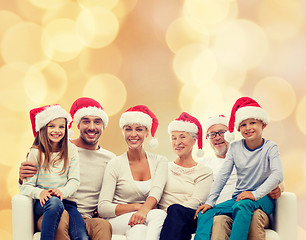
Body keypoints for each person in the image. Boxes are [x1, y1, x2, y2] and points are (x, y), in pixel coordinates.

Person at [19, 97, 115, 240]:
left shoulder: (111, 159)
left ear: (104, 126)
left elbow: (118, 191)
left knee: (103, 225)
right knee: (61, 215)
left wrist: (105, 209)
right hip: (54, 210)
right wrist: (21, 177)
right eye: (86, 121)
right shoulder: (59, 145)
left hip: (82, 215)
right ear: (77, 124)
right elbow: (30, 180)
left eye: (97, 122)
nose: (92, 127)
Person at [194, 97, 284, 240]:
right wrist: (210, 202)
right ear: (238, 129)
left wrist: (254, 194)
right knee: (206, 213)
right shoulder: (235, 147)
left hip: (262, 199)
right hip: (239, 198)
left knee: (242, 205)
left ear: (263, 124)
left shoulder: (270, 147)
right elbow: (223, 175)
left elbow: (278, 175)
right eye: (243, 125)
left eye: (252, 122)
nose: (248, 128)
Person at [98, 105, 168, 240]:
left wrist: (143, 211)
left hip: (145, 217)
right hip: (116, 220)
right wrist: (138, 208)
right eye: (128, 129)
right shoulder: (115, 164)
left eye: (139, 129)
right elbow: (103, 207)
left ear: (147, 133)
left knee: (140, 229)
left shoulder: (160, 161)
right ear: (123, 132)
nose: (133, 134)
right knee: (158, 215)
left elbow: (156, 192)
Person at [20, 104, 89, 240]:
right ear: (43, 128)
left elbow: (74, 181)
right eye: (52, 126)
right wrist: (41, 192)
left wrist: (62, 192)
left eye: (61, 126)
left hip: (68, 202)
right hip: (44, 203)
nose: (57, 130)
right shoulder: (36, 153)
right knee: (54, 202)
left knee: (81, 236)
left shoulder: (71, 150)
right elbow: (26, 186)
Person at [159, 112, 213, 240]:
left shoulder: (204, 171)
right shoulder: (163, 167)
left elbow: (197, 201)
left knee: (176, 210)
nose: (178, 142)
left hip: (190, 216)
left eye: (182, 137)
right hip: (163, 215)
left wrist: (171, 211)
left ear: (194, 140)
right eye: (174, 138)